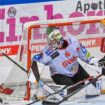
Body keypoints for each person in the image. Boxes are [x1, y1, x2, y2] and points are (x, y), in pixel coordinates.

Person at [32, 27, 105, 99]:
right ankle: (48, 91)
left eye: (52, 41)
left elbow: (87, 58)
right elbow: (35, 61)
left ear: (58, 40)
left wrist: (99, 64)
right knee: (73, 93)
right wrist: (35, 80)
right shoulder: (47, 52)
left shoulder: (73, 42)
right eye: (49, 40)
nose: (49, 43)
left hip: (76, 71)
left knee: (94, 86)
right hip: (59, 75)